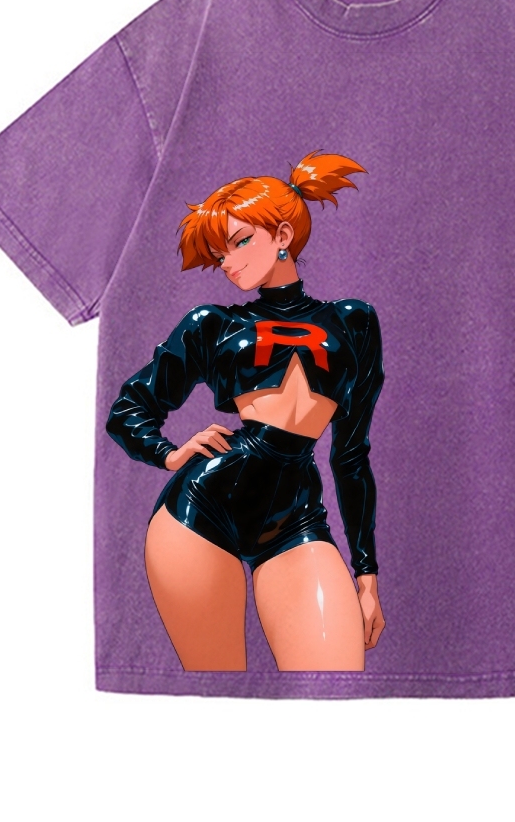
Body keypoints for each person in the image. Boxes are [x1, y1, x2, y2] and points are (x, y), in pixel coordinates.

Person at [106, 152, 385, 671]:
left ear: (283, 235)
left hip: (298, 517)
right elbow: (129, 408)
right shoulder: (212, 325)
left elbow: (350, 456)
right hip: (200, 512)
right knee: (216, 691)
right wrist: (169, 454)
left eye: (239, 242)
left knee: (333, 682)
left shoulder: (355, 323)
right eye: (220, 255)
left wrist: (366, 576)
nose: (229, 263)